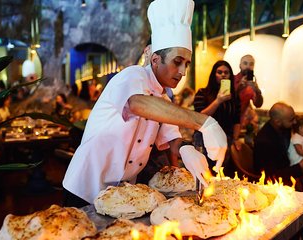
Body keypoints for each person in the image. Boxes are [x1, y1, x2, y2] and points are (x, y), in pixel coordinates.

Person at [62, 0, 227, 208]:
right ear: (155, 60)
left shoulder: (163, 99)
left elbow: (172, 138)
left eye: (187, 64)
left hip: (123, 193)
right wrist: (205, 122)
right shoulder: (132, 76)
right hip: (86, 187)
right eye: (177, 62)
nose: (183, 72)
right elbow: (138, 104)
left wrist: (187, 150)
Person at [193, 60, 241, 175]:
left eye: (226, 72)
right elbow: (199, 117)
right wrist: (218, 101)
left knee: (221, 172)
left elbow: (236, 120)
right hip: (204, 138)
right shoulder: (202, 93)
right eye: (219, 72)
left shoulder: (234, 97)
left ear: (230, 76)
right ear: (214, 75)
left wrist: (235, 139)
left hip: (225, 139)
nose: (223, 75)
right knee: (203, 171)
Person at [253, 102, 303, 186]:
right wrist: (299, 167)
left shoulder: (284, 128)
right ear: (277, 122)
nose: (295, 122)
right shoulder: (264, 141)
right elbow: (270, 176)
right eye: (291, 120)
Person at [234, 54, 263, 131]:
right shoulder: (232, 79)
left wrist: (257, 91)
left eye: (251, 64)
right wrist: (239, 87)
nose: (248, 66)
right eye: (245, 63)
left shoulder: (251, 84)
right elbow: (226, 98)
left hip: (241, 123)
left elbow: (258, 104)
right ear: (240, 65)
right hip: (227, 119)